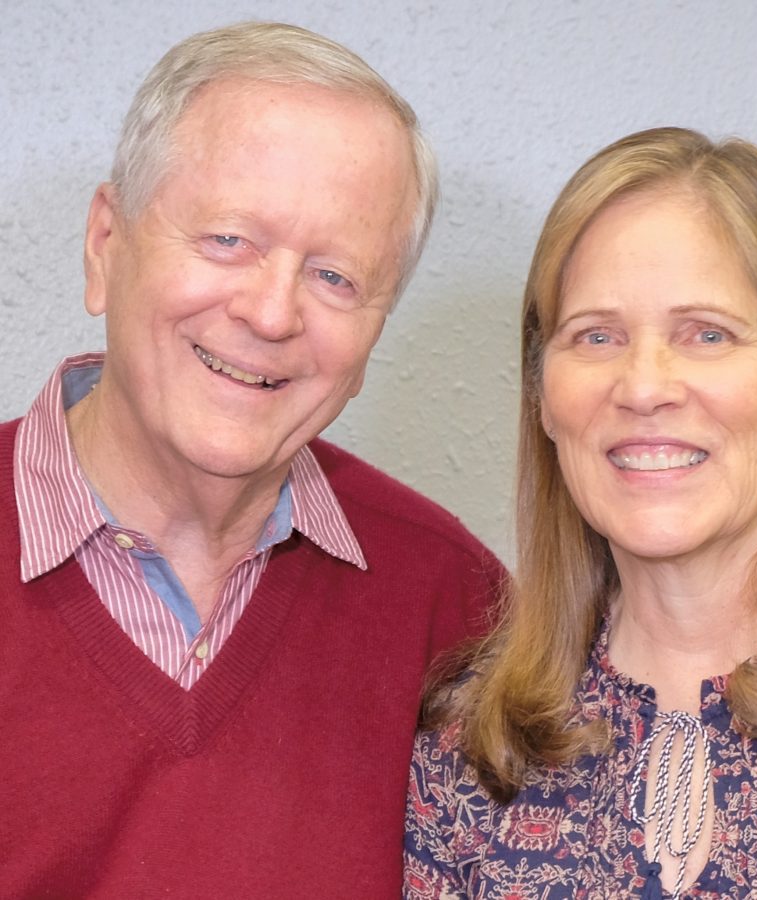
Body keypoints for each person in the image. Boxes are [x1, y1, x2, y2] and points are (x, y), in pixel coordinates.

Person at [0, 22, 504, 899]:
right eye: (229, 240)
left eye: (335, 277)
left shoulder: (455, 607)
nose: (272, 314)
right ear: (105, 243)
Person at [404, 127, 757, 898]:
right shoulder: (471, 745)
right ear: (542, 398)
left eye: (707, 334)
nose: (642, 387)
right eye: (596, 336)